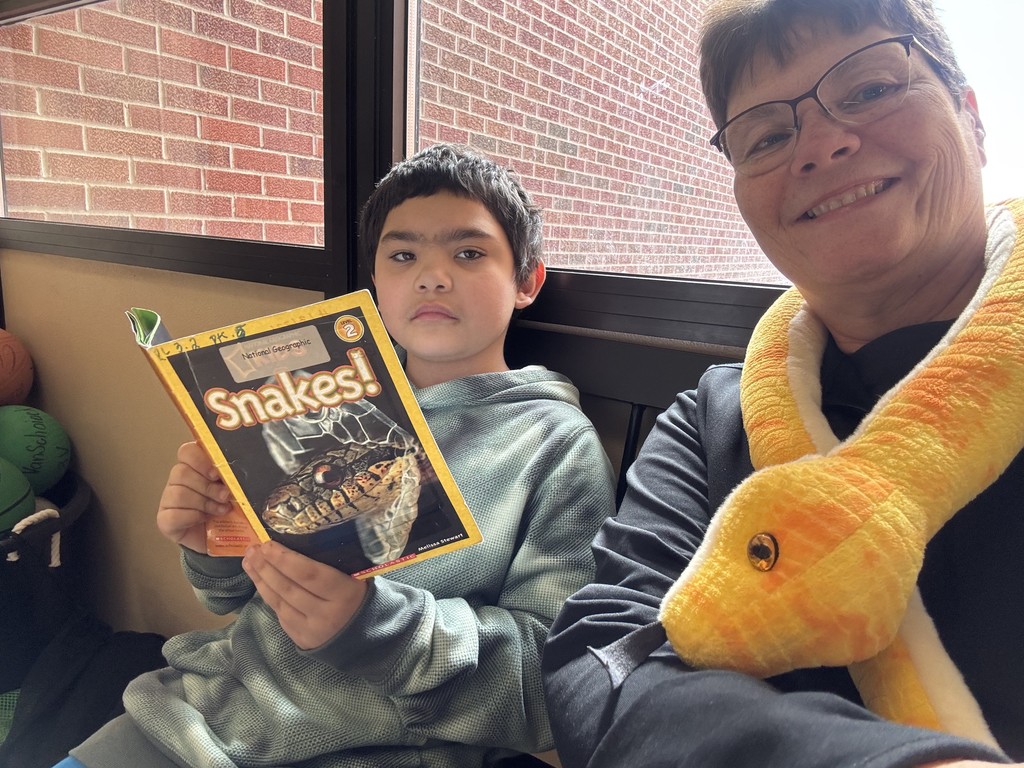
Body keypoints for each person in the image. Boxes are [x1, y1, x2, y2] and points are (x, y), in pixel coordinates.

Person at [542, 1, 1024, 766]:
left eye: (868, 90)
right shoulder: (711, 423)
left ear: (973, 116)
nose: (824, 145)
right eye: (768, 136)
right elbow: (600, 658)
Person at [60, 143, 616, 767]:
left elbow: (552, 685)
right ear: (376, 282)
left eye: (468, 252)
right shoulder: (316, 402)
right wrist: (208, 539)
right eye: (403, 255)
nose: (432, 276)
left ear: (526, 281)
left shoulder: (555, 444)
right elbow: (234, 603)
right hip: (197, 716)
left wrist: (375, 628)